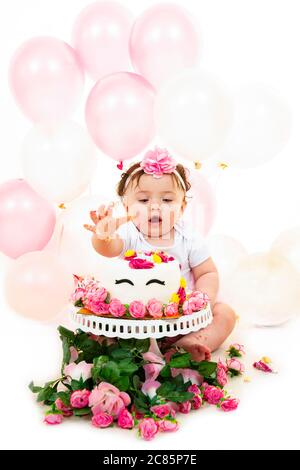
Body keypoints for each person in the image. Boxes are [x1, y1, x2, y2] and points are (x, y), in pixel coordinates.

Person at [84, 147, 236, 361]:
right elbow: (109, 249)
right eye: (144, 201)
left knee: (225, 313)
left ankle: (192, 342)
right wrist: (103, 236)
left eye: (167, 200)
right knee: (96, 322)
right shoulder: (129, 234)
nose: (155, 206)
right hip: (132, 321)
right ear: (127, 207)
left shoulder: (188, 237)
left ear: (182, 207)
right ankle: (117, 345)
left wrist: (203, 299)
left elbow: (207, 273)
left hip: (181, 321)